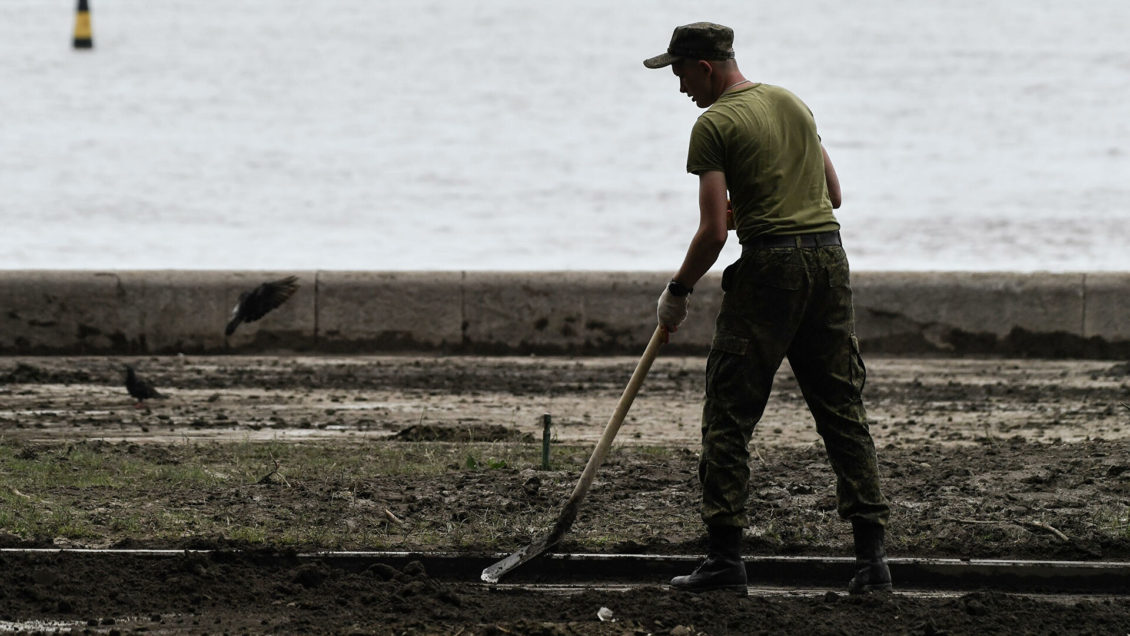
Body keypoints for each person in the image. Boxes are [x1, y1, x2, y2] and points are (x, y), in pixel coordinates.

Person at [643, 22, 891, 595]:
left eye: (680, 72)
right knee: (842, 413)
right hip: (829, 263)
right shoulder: (790, 101)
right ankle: (873, 563)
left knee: (729, 415)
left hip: (770, 271)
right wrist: (755, 201)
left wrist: (677, 292)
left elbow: (710, 233)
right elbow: (831, 195)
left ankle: (725, 561)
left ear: (705, 66)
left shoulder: (712, 123)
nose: (679, 86)